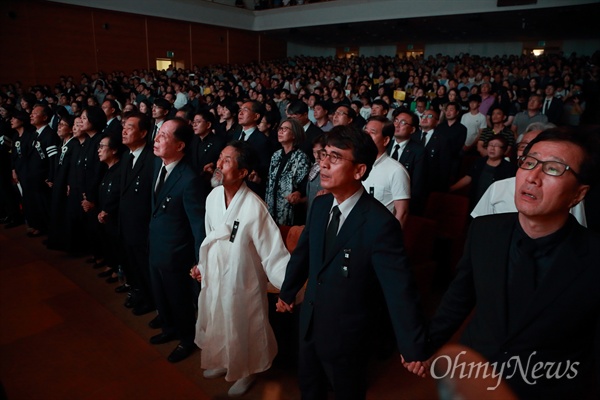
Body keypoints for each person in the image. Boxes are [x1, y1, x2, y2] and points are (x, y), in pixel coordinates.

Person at [420, 129, 600, 398]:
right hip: (473, 378)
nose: (533, 177)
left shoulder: (593, 257)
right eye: (529, 162)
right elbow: (459, 297)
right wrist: (425, 345)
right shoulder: (484, 230)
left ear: (578, 193)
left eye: (553, 169)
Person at [277, 125, 427, 399]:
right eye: (323, 155)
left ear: (359, 170)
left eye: (335, 157)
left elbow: (399, 289)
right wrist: (287, 292)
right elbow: (305, 253)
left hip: (348, 333)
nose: (323, 163)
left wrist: (412, 344)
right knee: (309, 388)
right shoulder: (321, 206)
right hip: (310, 321)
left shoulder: (380, 223)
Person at [191, 141, 290, 397]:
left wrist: (288, 288)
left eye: (227, 161)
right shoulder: (213, 197)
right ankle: (222, 360)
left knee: (243, 322)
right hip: (216, 273)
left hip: (242, 277)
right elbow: (209, 235)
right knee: (218, 317)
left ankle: (249, 369)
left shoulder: (254, 207)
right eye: (220, 158)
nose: (218, 165)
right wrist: (202, 265)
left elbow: (272, 253)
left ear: (243, 172)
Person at [148, 118, 206, 363]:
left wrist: (198, 261)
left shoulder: (189, 179)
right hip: (157, 246)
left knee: (179, 300)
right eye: (158, 134)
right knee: (161, 296)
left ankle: (186, 339)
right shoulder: (158, 166)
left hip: (177, 254)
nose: (156, 140)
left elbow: (197, 226)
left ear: (180, 145)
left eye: (163, 137)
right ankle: (169, 329)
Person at [362, 116, 410, 227]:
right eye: (365, 131)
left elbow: (402, 213)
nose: (366, 135)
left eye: (372, 132)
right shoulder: (356, 164)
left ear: (386, 140)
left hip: (378, 233)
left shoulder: (396, 171)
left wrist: (390, 240)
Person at [450, 135, 516, 210]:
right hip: (475, 199)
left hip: (494, 204)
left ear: (504, 150)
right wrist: (451, 188)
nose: (492, 148)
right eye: (490, 145)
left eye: (496, 146)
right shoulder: (479, 162)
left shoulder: (509, 168)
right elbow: (468, 177)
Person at [265, 118, 310, 226]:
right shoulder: (276, 155)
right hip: (271, 206)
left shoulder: (301, 157)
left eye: (285, 129)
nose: (281, 131)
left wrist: (298, 193)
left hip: (290, 209)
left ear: (294, 135)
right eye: (280, 129)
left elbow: (304, 184)